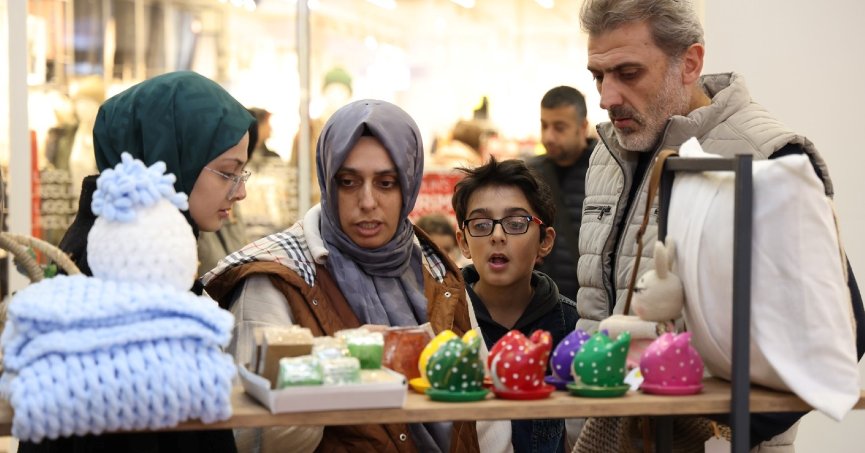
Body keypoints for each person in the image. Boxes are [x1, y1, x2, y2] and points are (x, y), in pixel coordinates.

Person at [575, 0, 864, 451]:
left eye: (628, 73)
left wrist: (722, 429)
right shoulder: (607, 154)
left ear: (689, 63)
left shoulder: (767, 156)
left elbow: (841, 332)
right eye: (598, 76)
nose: (606, 98)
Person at [201, 99, 480, 452]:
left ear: (409, 185)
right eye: (348, 182)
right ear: (327, 180)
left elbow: (482, 419)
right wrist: (338, 363)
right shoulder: (275, 275)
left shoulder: (436, 267)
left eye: (386, 183)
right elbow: (256, 437)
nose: (367, 201)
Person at [33, 70, 256, 453]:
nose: (241, 192)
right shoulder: (121, 264)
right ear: (170, 158)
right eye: (227, 172)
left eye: (241, 173)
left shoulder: (149, 247)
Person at [451, 158, 579, 453]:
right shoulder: (445, 323)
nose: (497, 236)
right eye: (481, 225)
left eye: (516, 223)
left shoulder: (572, 326)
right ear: (464, 242)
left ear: (545, 241)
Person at [527, 86, 595, 301]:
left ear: (582, 127)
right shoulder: (529, 174)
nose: (549, 136)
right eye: (544, 125)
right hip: (541, 301)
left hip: (588, 303)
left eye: (559, 127)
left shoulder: (606, 173)